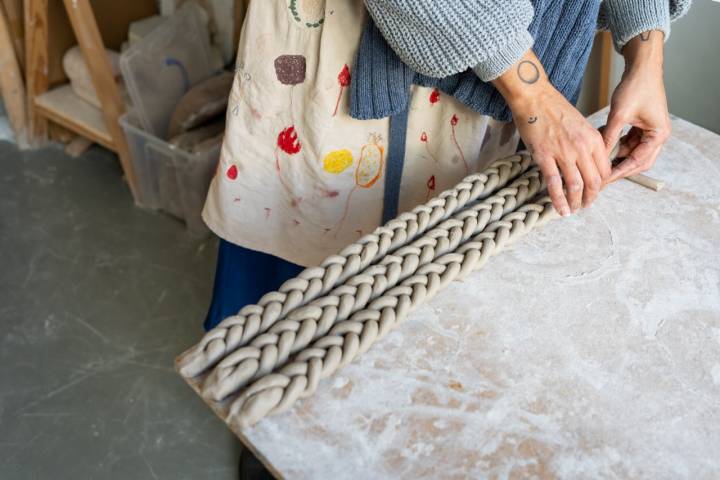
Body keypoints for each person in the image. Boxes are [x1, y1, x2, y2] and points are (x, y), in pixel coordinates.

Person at [200, 0, 690, 474]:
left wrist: (645, 50)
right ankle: (275, 436)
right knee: (305, 280)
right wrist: (532, 93)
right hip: (341, 39)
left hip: (504, 54)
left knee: (429, 297)